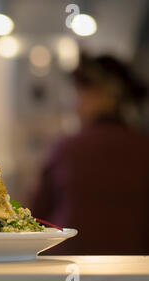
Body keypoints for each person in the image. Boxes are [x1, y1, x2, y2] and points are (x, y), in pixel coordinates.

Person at [30, 54, 149, 255]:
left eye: (82, 93)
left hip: (68, 270)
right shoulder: (144, 147)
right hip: (134, 273)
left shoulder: (67, 148)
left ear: (105, 96)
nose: (77, 104)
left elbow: (34, 218)